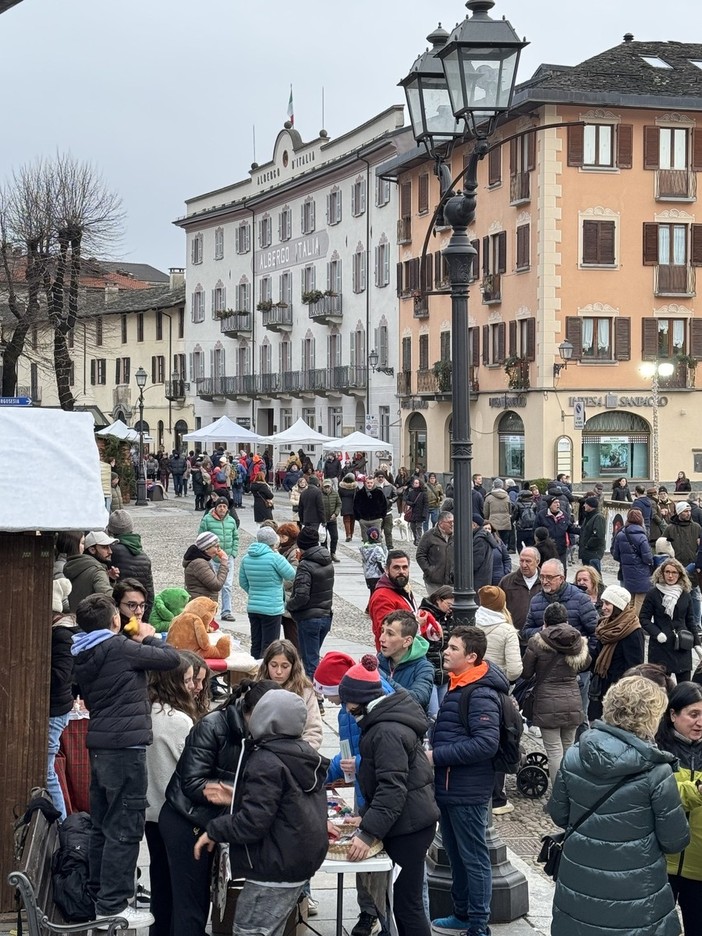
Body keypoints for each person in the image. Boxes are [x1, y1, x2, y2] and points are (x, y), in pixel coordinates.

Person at [547, 675, 689, 936]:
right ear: (651, 716)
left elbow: (559, 814)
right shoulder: (656, 771)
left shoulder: (575, 755)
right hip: (636, 891)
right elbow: (674, 841)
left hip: (578, 879)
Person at [71, 593, 180, 930]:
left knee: (104, 824)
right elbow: (170, 659)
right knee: (126, 827)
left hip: (102, 745)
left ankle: (99, 895)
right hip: (126, 748)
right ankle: (113, 905)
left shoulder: (84, 651)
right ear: (114, 621)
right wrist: (149, 636)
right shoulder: (118, 647)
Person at [194, 688, 330, 936]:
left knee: (251, 931)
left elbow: (253, 823)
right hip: (296, 864)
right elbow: (286, 805)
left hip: (272, 868)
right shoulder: (301, 753)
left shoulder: (266, 760)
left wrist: (214, 830)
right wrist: (237, 795)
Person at [161, 679, 280, 936]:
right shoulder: (212, 725)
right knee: (190, 908)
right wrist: (238, 795)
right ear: (252, 712)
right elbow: (193, 782)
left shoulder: (260, 733)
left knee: (193, 906)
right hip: (186, 820)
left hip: (213, 823)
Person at [339, 656, 439, 936]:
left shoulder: (385, 731)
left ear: (358, 700)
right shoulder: (383, 722)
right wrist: (366, 815)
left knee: (408, 906)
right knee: (401, 905)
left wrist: (368, 831)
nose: (345, 708)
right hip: (408, 821)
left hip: (409, 827)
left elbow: (392, 789)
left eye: (347, 701)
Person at [429, 626, 508, 936]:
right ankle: (461, 914)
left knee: (474, 858)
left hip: (468, 790)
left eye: (453, 648)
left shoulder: (480, 693)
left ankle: (478, 925)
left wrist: (437, 756)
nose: (446, 651)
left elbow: (485, 744)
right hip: (449, 788)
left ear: (472, 657)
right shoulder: (459, 685)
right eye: (447, 646)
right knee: (457, 855)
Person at [145, 654, 198, 936]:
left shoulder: (146, 710)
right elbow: (191, 770)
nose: (193, 686)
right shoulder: (178, 721)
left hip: (150, 813)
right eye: (188, 680)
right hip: (176, 815)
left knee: (160, 880)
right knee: (180, 886)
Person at [522, 602, 590, 783]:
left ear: (545, 622)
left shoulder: (536, 642)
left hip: (546, 701)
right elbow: (586, 665)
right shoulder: (578, 641)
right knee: (568, 748)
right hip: (573, 700)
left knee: (553, 751)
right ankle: (571, 792)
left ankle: (558, 796)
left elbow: (527, 673)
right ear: (566, 620)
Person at [656, 681, 702, 935]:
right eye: (693, 714)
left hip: (700, 867)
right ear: (673, 715)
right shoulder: (656, 752)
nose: (700, 723)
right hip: (662, 865)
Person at [474, 585, 523, 816]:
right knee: (499, 738)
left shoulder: (472, 622)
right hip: (497, 690)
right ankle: (497, 797)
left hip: (473, 687)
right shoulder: (506, 631)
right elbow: (514, 669)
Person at [588, 585, 644, 722]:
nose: (603, 607)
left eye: (608, 604)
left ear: (618, 606)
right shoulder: (605, 625)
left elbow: (634, 667)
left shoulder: (632, 631)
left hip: (618, 691)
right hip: (601, 685)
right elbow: (596, 655)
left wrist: (621, 690)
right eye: (603, 603)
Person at [286, 525, 334, 682]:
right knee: (313, 658)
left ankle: (314, 700)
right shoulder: (327, 560)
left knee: (310, 663)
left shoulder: (305, 565)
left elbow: (301, 596)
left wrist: (289, 605)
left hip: (309, 618)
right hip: (325, 615)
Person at [239, 526, 296, 659]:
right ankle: (264, 674)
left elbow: (243, 582)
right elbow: (291, 575)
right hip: (272, 607)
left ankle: (254, 671)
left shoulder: (246, 558)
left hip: (253, 607)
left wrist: (254, 592)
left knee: (256, 643)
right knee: (269, 645)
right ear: (273, 541)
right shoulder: (275, 558)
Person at [257, 639, 323, 749]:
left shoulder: (305, 690)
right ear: (266, 665)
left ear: (293, 667)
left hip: (295, 753)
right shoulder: (257, 688)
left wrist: (299, 753)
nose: (278, 671)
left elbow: (314, 732)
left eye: (284, 666)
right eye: (273, 665)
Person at [640, 558, 698, 682]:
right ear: (662, 573)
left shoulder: (685, 594)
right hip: (661, 647)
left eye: (674, 572)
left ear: (680, 574)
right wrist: (657, 633)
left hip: (682, 646)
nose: (670, 576)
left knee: (685, 687)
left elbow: (690, 620)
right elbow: (644, 618)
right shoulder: (653, 593)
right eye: (667, 572)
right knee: (660, 689)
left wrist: (697, 644)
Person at [49, 578, 77, 820]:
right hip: (57, 707)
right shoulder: (62, 634)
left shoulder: (61, 636)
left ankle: (62, 823)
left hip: (56, 708)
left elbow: (60, 675)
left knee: (47, 770)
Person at [377, 609, 435, 713]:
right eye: (382, 631)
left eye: (390, 634)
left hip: (406, 726)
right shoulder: (378, 662)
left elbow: (418, 699)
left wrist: (383, 678)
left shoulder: (424, 667)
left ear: (407, 641)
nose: (381, 638)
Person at [106, 510, 155, 617]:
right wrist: (143, 621)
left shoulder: (109, 552)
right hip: (137, 611)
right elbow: (150, 594)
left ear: (110, 530)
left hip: (116, 613)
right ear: (131, 529)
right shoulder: (144, 557)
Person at [199, 496, 240, 622]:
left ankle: (226, 611)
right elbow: (201, 537)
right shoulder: (207, 520)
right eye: (220, 506)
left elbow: (236, 537)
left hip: (227, 557)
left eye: (224, 506)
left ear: (227, 508)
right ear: (215, 507)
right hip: (211, 558)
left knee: (227, 585)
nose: (222, 508)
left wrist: (233, 552)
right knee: (211, 585)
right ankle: (210, 612)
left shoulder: (231, 521)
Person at [368, 550, 418, 650]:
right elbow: (384, 631)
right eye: (396, 567)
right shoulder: (382, 596)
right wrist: (418, 624)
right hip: (394, 655)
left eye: (405, 567)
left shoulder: (402, 587)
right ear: (386, 570)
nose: (401, 572)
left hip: (406, 651)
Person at [499, 546, 542, 652]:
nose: (524, 565)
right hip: (513, 638)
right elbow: (498, 608)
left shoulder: (545, 581)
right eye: (521, 560)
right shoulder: (507, 581)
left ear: (537, 562)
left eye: (528, 561)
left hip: (539, 639)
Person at [612, 508, 654, 614]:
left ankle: (627, 623)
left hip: (627, 573)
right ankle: (636, 624)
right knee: (640, 602)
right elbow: (648, 557)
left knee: (629, 601)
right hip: (642, 573)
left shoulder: (621, 534)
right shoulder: (642, 536)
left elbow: (615, 554)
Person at [63, 531, 118, 611]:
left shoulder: (78, 566)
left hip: (75, 618)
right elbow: (109, 597)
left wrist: (110, 579)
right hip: (93, 620)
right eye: (104, 547)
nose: (110, 551)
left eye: (109, 547)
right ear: (92, 550)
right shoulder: (97, 571)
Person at [669, 502, 702, 631]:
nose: (688, 514)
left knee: (695, 595)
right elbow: (663, 544)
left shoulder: (697, 527)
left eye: (689, 511)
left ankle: (697, 623)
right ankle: (678, 622)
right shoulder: (671, 528)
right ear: (679, 512)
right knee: (677, 596)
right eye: (684, 511)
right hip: (677, 567)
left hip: (694, 566)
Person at [183, 531, 229, 602]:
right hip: (200, 606)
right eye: (216, 546)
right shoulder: (199, 563)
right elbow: (216, 585)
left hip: (201, 603)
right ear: (206, 548)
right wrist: (224, 564)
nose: (219, 550)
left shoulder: (201, 561)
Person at [535, 497, 580, 569]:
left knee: (561, 570)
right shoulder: (541, 515)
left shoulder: (564, 515)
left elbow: (569, 528)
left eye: (558, 502)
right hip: (546, 549)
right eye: (555, 502)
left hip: (561, 548)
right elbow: (536, 530)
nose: (558, 504)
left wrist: (582, 531)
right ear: (550, 505)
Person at [416, 511, 454, 593]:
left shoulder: (457, 535)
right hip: (434, 581)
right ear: (441, 523)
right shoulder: (429, 535)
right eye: (450, 522)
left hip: (452, 581)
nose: (453, 524)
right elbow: (420, 555)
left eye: (454, 521)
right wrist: (429, 571)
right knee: (435, 604)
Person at [277, 522, 300, 649]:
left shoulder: (294, 552)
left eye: (283, 536)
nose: (281, 539)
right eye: (279, 535)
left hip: (289, 595)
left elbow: (293, 575)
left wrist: (278, 586)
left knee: (292, 632)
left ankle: (295, 658)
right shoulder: (281, 550)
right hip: (282, 596)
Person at [355, 475, 389, 543]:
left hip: (376, 519)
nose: (369, 484)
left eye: (371, 483)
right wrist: (359, 518)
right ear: (365, 483)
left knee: (377, 539)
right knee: (366, 540)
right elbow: (355, 506)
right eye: (368, 483)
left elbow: (384, 505)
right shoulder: (360, 493)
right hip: (364, 520)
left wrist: (381, 517)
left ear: (374, 483)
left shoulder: (379, 493)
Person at [578, 496, 606, 572]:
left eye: (586, 504)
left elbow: (598, 536)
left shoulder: (598, 517)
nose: (584, 506)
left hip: (593, 553)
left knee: (595, 576)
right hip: (586, 553)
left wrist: (587, 545)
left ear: (591, 506)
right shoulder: (588, 517)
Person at [359, 527, 387, 598]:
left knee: (372, 593)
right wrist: (385, 573)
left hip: (368, 575)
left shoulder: (364, 548)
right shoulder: (377, 549)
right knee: (378, 595)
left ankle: (370, 608)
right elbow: (380, 562)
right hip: (377, 575)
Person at [482, 478, 512, 545]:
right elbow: (510, 510)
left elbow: (485, 512)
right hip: (506, 521)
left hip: (493, 522)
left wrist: (487, 520)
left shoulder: (489, 497)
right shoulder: (507, 497)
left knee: (494, 541)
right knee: (504, 542)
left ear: (494, 486)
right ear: (502, 486)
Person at [471, 514, 495, 594]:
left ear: (474, 525)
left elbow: (476, 561)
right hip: (483, 578)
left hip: (478, 579)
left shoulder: (480, 539)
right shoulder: (482, 536)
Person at [374, 470, 397, 549]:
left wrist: (392, 500)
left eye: (382, 477)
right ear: (376, 478)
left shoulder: (389, 486)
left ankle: (389, 546)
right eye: (379, 477)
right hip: (377, 513)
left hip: (388, 512)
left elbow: (396, 495)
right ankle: (377, 545)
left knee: (388, 531)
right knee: (377, 531)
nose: (381, 478)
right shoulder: (374, 486)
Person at [484, 520, 511, 585]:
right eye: (485, 528)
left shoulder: (499, 542)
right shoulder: (479, 542)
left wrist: (506, 572)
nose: (487, 530)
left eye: (489, 529)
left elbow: (506, 558)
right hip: (485, 579)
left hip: (499, 577)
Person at [321, 477, 342, 562]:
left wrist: (336, 513)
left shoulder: (335, 494)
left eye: (328, 487)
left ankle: (333, 553)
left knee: (335, 537)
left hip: (332, 519)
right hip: (323, 520)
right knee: (323, 538)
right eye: (325, 487)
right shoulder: (320, 494)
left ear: (331, 486)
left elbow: (339, 504)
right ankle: (325, 554)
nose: (327, 488)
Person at [339, 473, 359, 541]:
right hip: (353, 505)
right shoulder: (355, 487)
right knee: (352, 521)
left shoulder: (341, 487)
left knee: (346, 520)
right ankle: (351, 534)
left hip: (345, 504)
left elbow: (339, 496)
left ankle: (348, 534)